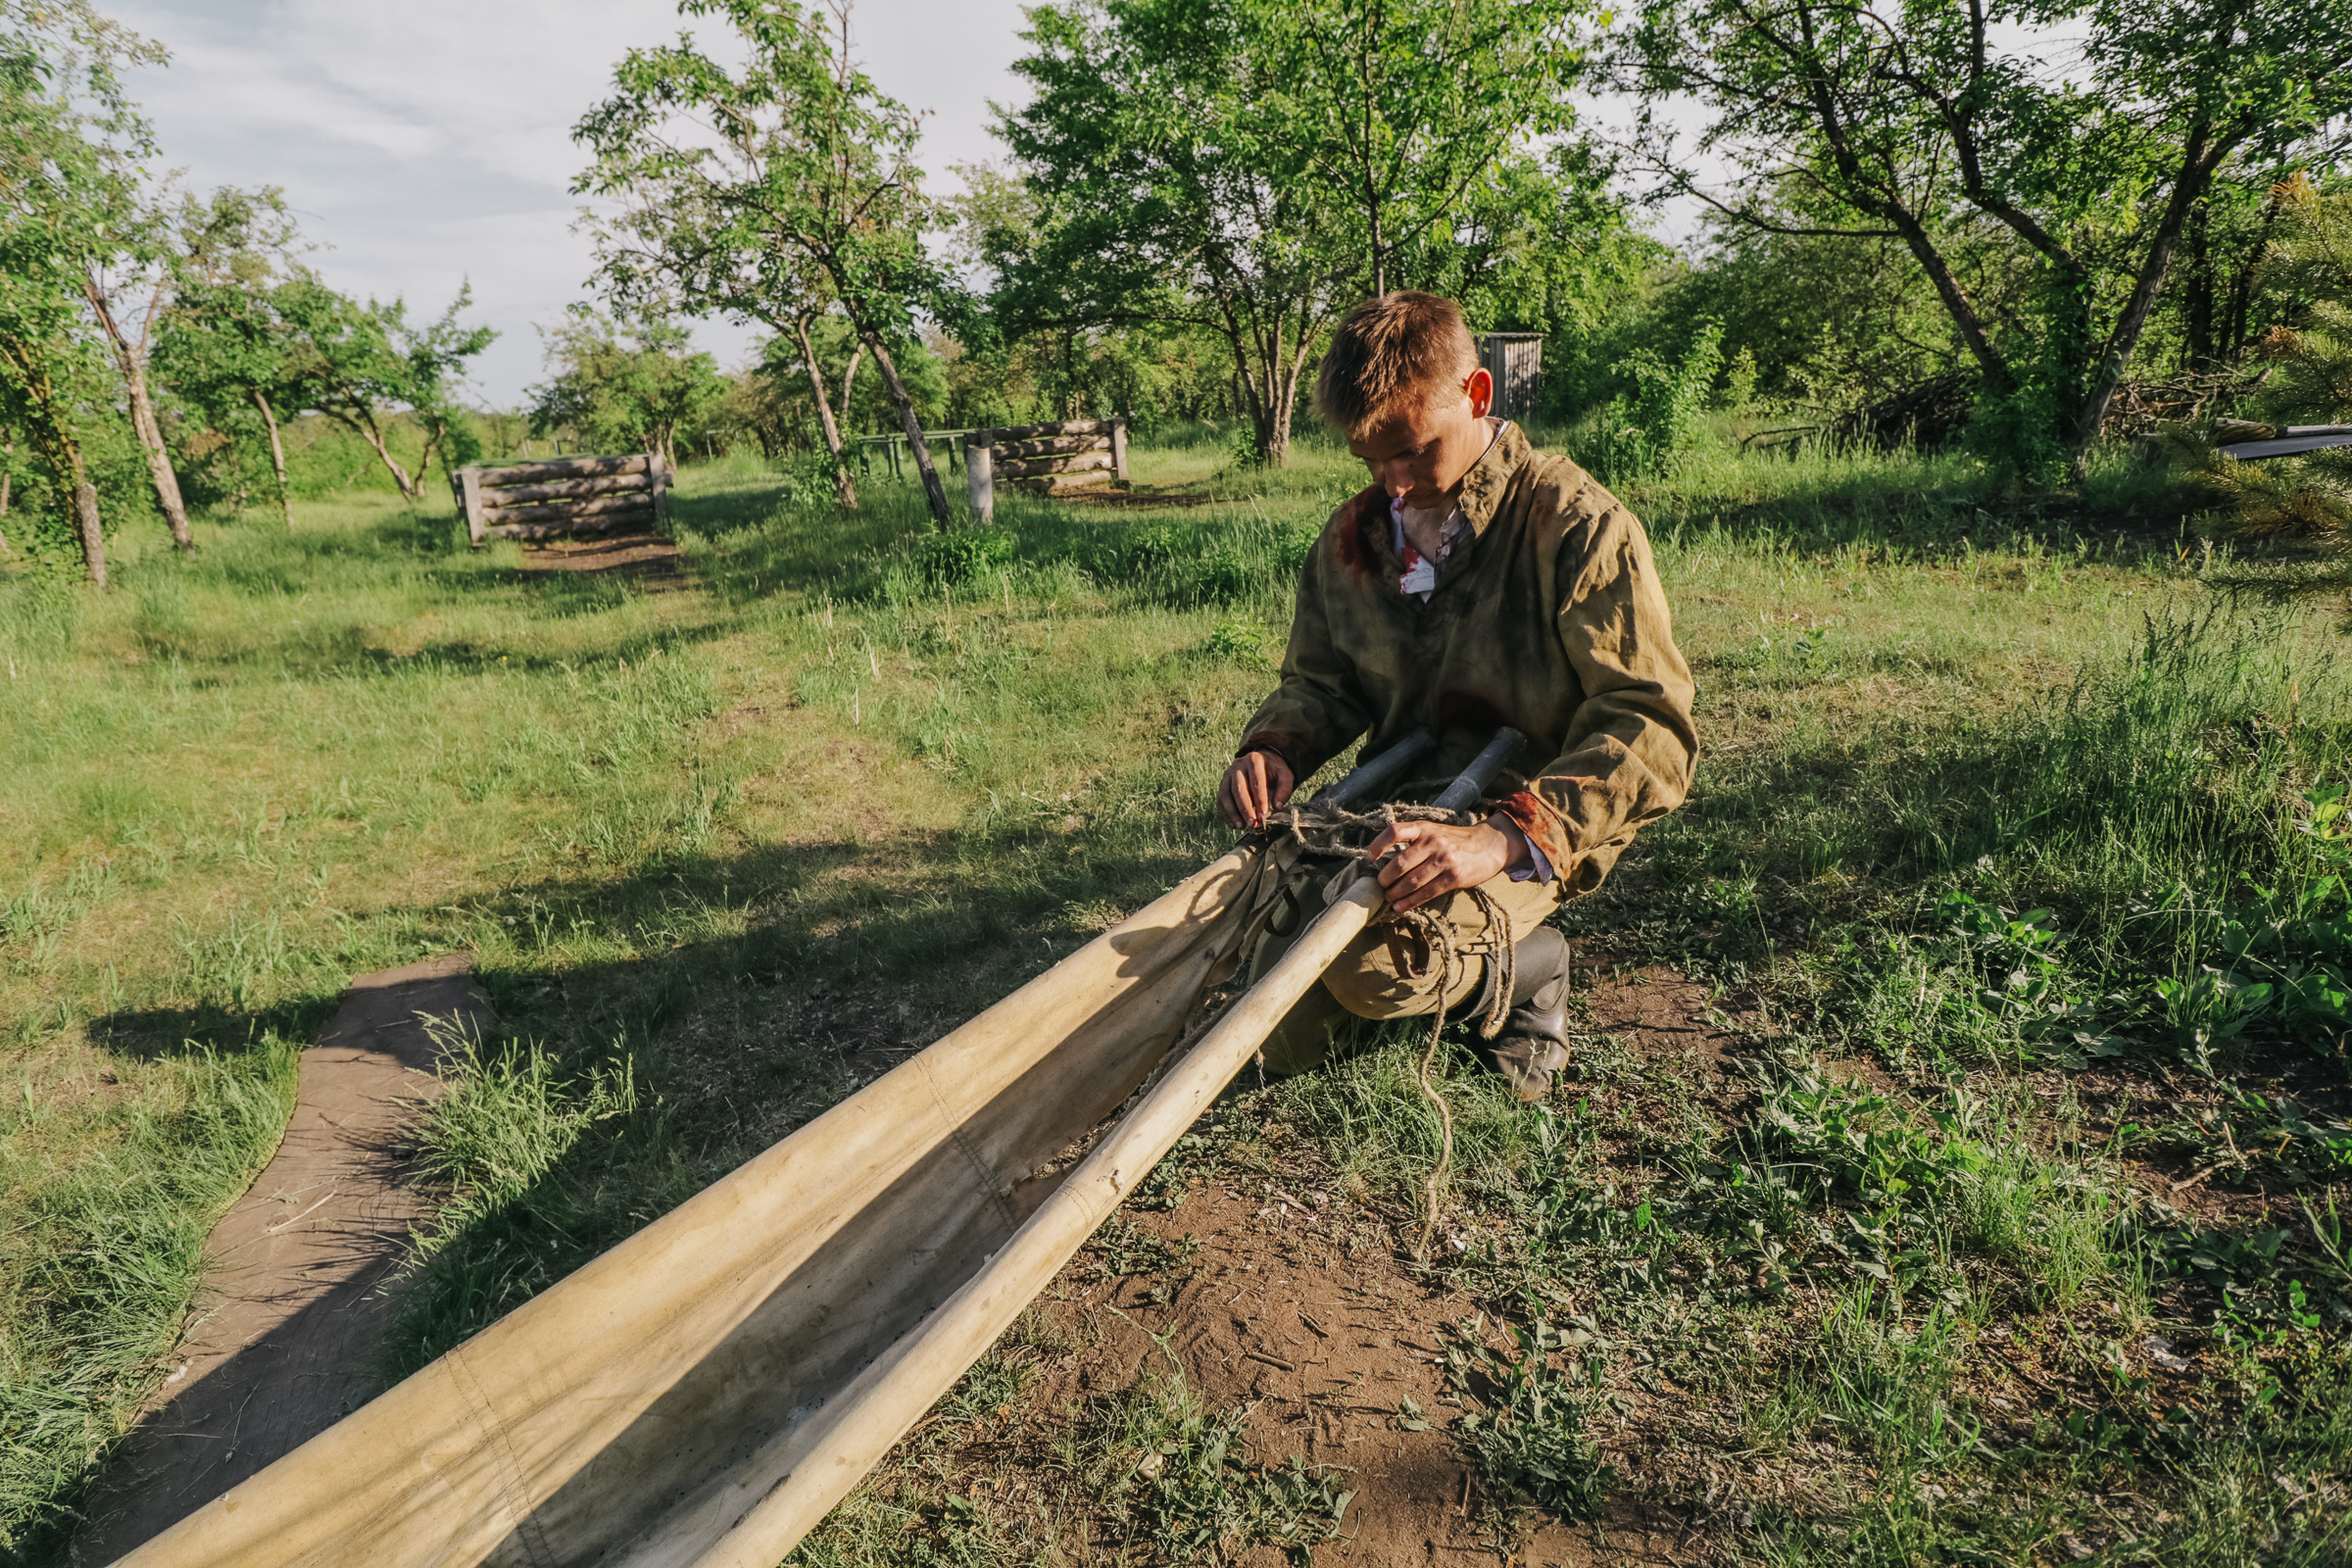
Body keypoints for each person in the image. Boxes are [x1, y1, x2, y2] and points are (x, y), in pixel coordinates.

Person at [1218, 291, 1698, 1101]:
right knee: (1268, 1006)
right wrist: (1274, 746)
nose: (1394, 486)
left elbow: (1650, 727)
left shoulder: (1577, 524)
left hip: (1528, 815)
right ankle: (1405, 993)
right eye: (1369, 462)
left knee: (1373, 968)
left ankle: (1529, 979)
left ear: (1477, 396)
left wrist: (1504, 838)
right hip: (1397, 806)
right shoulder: (1353, 537)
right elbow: (1320, 681)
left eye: (1411, 452)